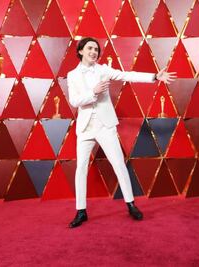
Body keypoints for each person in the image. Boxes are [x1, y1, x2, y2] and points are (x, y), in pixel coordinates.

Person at [67, 37, 176, 228]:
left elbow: (127, 75)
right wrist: (93, 92)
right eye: (90, 48)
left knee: (119, 164)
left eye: (96, 49)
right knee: (81, 169)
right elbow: (75, 101)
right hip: (85, 128)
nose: (94, 52)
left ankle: (131, 204)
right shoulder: (72, 75)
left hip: (105, 125)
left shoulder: (104, 70)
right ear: (81, 51)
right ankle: (81, 211)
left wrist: (154, 77)